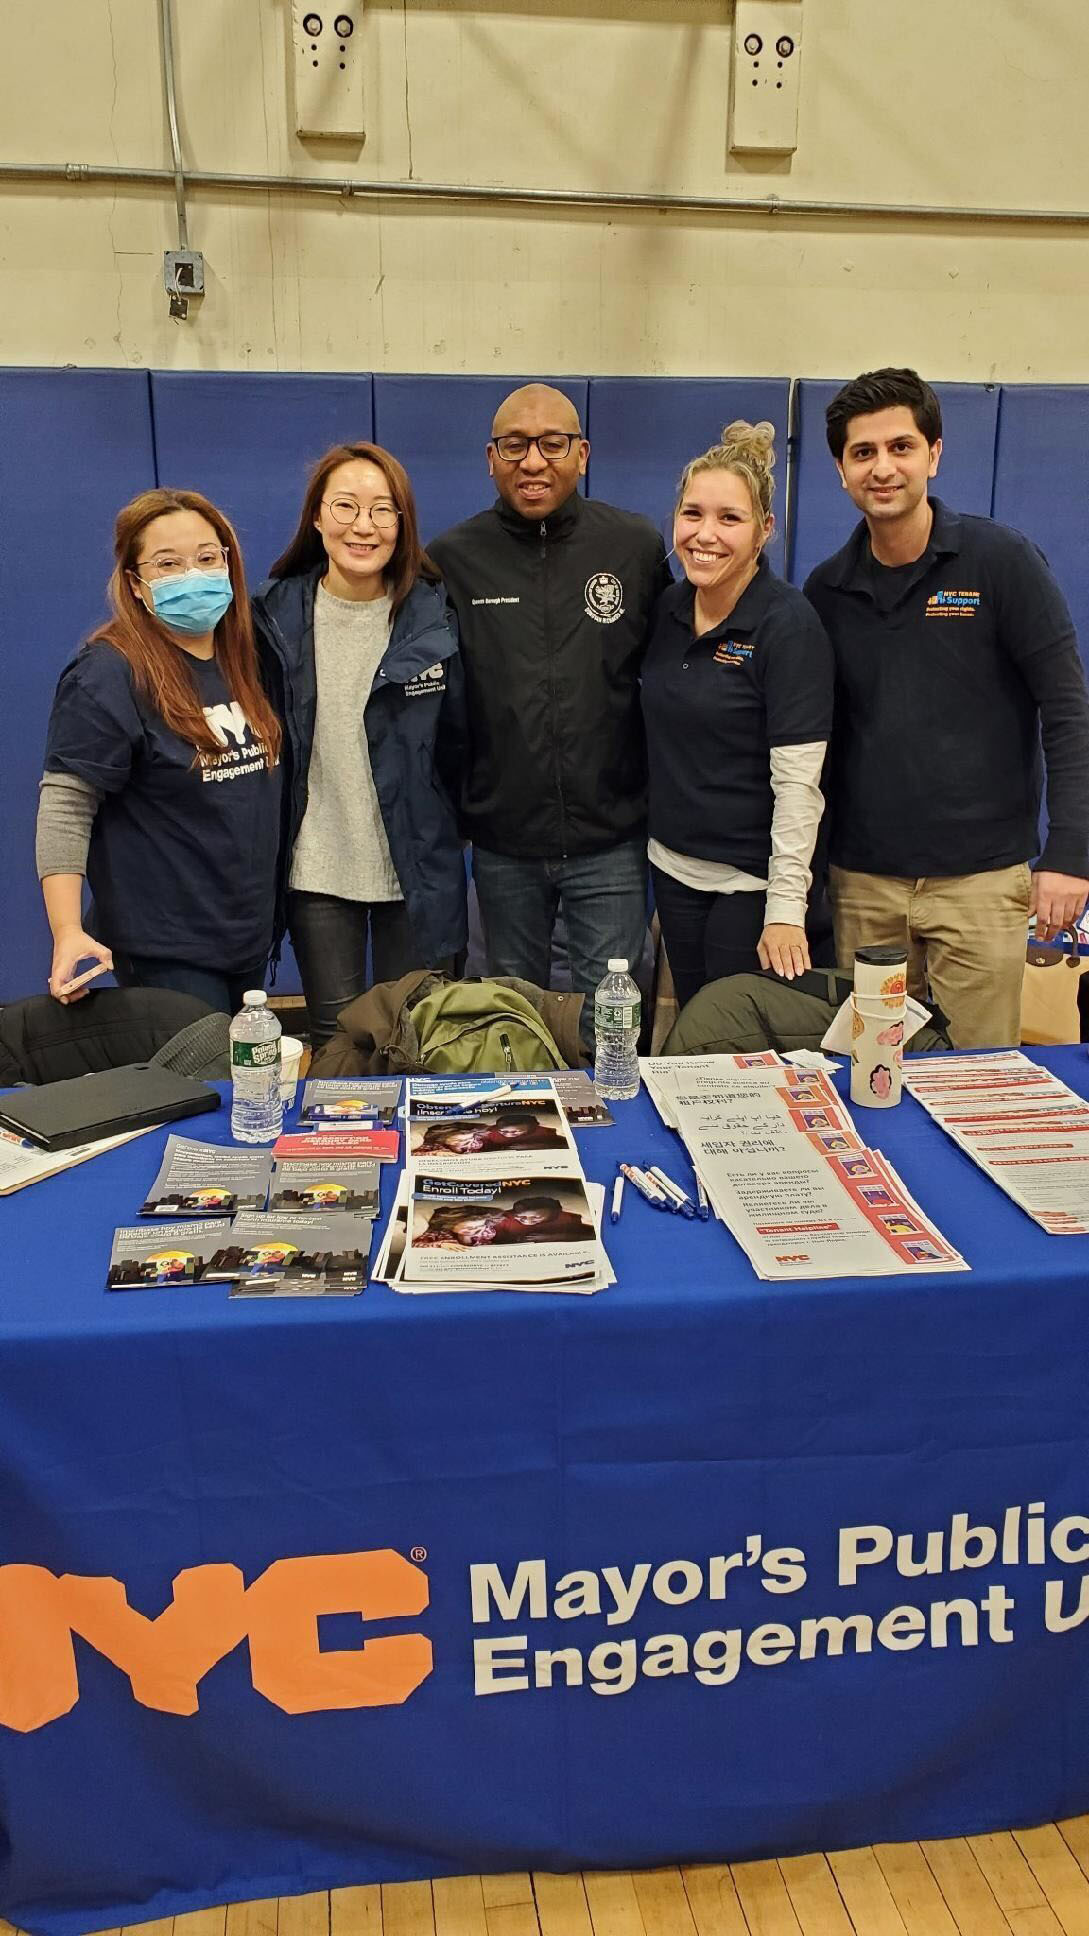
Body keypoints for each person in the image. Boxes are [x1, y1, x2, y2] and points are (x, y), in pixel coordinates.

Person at [805, 367, 1089, 1048]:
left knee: (979, 1080)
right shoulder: (824, 591)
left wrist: (1071, 851)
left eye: (900, 447)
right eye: (862, 452)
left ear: (933, 453)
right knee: (871, 1081)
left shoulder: (1001, 563)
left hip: (981, 883)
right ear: (840, 470)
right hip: (863, 886)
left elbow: (1067, 708)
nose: (882, 468)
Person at [429, 383, 672, 1013]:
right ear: (491, 458)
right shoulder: (453, 559)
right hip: (504, 842)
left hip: (611, 839)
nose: (533, 462)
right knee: (512, 1021)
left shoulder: (634, 547)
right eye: (515, 446)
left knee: (611, 1022)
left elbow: (673, 673)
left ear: (582, 453)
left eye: (552, 445)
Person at [252, 442, 467, 1047]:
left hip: (417, 865)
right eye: (345, 506)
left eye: (382, 509)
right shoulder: (271, 614)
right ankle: (341, 1147)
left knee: (418, 1037)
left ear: (403, 524)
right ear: (317, 517)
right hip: (319, 863)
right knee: (338, 1038)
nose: (363, 525)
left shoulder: (434, 615)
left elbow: (461, 738)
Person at [37, 489, 282, 1015]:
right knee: (201, 1090)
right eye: (168, 564)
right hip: (167, 948)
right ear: (135, 583)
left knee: (245, 1091)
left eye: (207, 558)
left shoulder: (250, 656)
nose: (193, 574)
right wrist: (66, 929)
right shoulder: (109, 673)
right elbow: (65, 808)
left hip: (245, 934)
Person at [641, 422, 834, 1012]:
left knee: (732, 1040)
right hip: (673, 869)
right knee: (695, 1031)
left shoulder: (788, 627)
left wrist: (784, 910)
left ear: (764, 531)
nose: (705, 535)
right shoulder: (669, 609)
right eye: (693, 513)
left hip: (749, 884)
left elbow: (800, 786)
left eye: (730, 518)